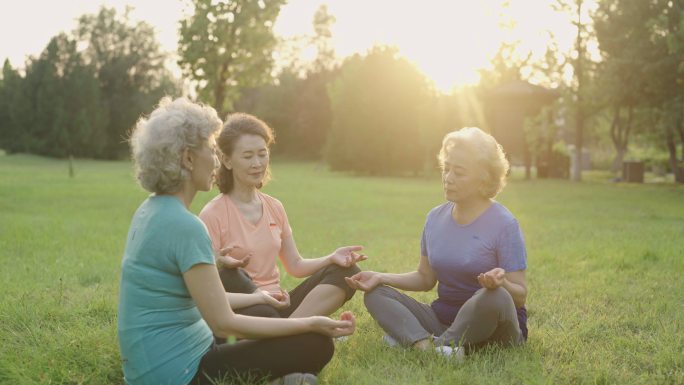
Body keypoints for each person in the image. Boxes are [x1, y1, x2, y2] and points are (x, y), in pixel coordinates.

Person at [117, 97, 355, 385]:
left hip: (163, 362)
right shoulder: (186, 225)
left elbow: (203, 299)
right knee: (315, 343)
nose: (217, 160)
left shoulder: (150, 211)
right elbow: (223, 322)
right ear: (188, 158)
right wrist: (307, 323)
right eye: (210, 149)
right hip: (180, 374)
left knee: (282, 325)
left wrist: (258, 297)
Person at [346, 127, 527, 357]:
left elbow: (520, 295)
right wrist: (380, 277)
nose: (448, 178)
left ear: (484, 176)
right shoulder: (434, 218)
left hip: (495, 328)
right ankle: (431, 347)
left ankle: (425, 343)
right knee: (376, 295)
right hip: (443, 318)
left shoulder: (504, 223)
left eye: (459, 173)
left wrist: (500, 284)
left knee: (494, 297)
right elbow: (425, 278)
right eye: (446, 168)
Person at [199, 113, 366, 319]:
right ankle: (291, 332)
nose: (257, 163)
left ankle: (289, 329)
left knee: (347, 273)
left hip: (278, 303)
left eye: (262, 153)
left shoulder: (275, 207)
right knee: (237, 280)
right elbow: (208, 284)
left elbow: (295, 264)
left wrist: (332, 258)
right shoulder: (212, 215)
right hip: (247, 308)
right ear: (227, 160)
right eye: (248, 156)